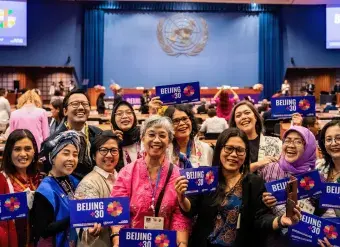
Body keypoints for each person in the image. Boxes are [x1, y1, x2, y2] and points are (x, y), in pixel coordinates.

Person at [175, 128, 301, 247]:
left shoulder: (255, 183)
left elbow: (260, 219)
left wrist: (281, 221)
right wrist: (181, 198)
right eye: (229, 148)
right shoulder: (206, 176)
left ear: (246, 154)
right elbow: (191, 210)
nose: (234, 154)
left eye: (240, 150)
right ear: (219, 149)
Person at [110, 116, 190, 247]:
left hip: (164, 243)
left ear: (169, 140)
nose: (156, 140)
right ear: (142, 138)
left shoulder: (177, 175)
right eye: (151, 134)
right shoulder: (127, 173)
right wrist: (117, 240)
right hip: (133, 243)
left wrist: (182, 243)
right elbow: (118, 211)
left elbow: (179, 214)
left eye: (162, 135)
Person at [261, 126, 335, 247]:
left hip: (306, 241)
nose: (291, 145)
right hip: (276, 239)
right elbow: (258, 214)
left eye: (298, 141)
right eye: (288, 140)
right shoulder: (269, 170)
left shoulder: (317, 178)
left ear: (308, 147)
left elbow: (328, 215)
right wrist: (264, 202)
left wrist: (328, 240)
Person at [32, 131, 80, 247]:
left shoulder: (73, 181)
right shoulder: (45, 190)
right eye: (66, 153)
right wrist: (77, 216)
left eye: (75, 154)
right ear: (52, 157)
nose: (71, 159)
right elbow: (43, 230)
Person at [41, 89, 102, 179]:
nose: (81, 107)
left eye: (85, 104)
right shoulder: (51, 143)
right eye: (75, 104)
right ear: (65, 111)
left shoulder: (99, 136)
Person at [75, 131, 120, 247]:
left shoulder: (121, 177)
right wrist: (89, 224)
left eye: (114, 150)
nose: (109, 155)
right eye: (103, 150)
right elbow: (84, 221)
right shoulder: (88, 183)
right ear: (94, 155)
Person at [0, 129, 43, 247]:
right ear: (9, 152)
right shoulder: (2, 180)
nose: (23, 154)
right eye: (17, 149)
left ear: (34, 151)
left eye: (28, 149)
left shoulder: (39, 178)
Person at [229, 100, 282, 173]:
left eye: (247, 113)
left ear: (256, 117)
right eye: (238, 115)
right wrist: (257, 164)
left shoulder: (276, 143)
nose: (243, 117)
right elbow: (229, 173)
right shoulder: (229, 147)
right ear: (235, 122)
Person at [164, 104, 213, 168]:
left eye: (184, 119)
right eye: (176, 121)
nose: (182, 123)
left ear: (191, 121)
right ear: (168, 126)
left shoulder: (206, 149)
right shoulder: (164, 151)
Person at [111, 101, 141, 168]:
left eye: (129, 112)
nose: (124, 116)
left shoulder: (143, 135)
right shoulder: (109, 140)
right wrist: (114, 144)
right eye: (119, 113)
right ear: (113, 118)